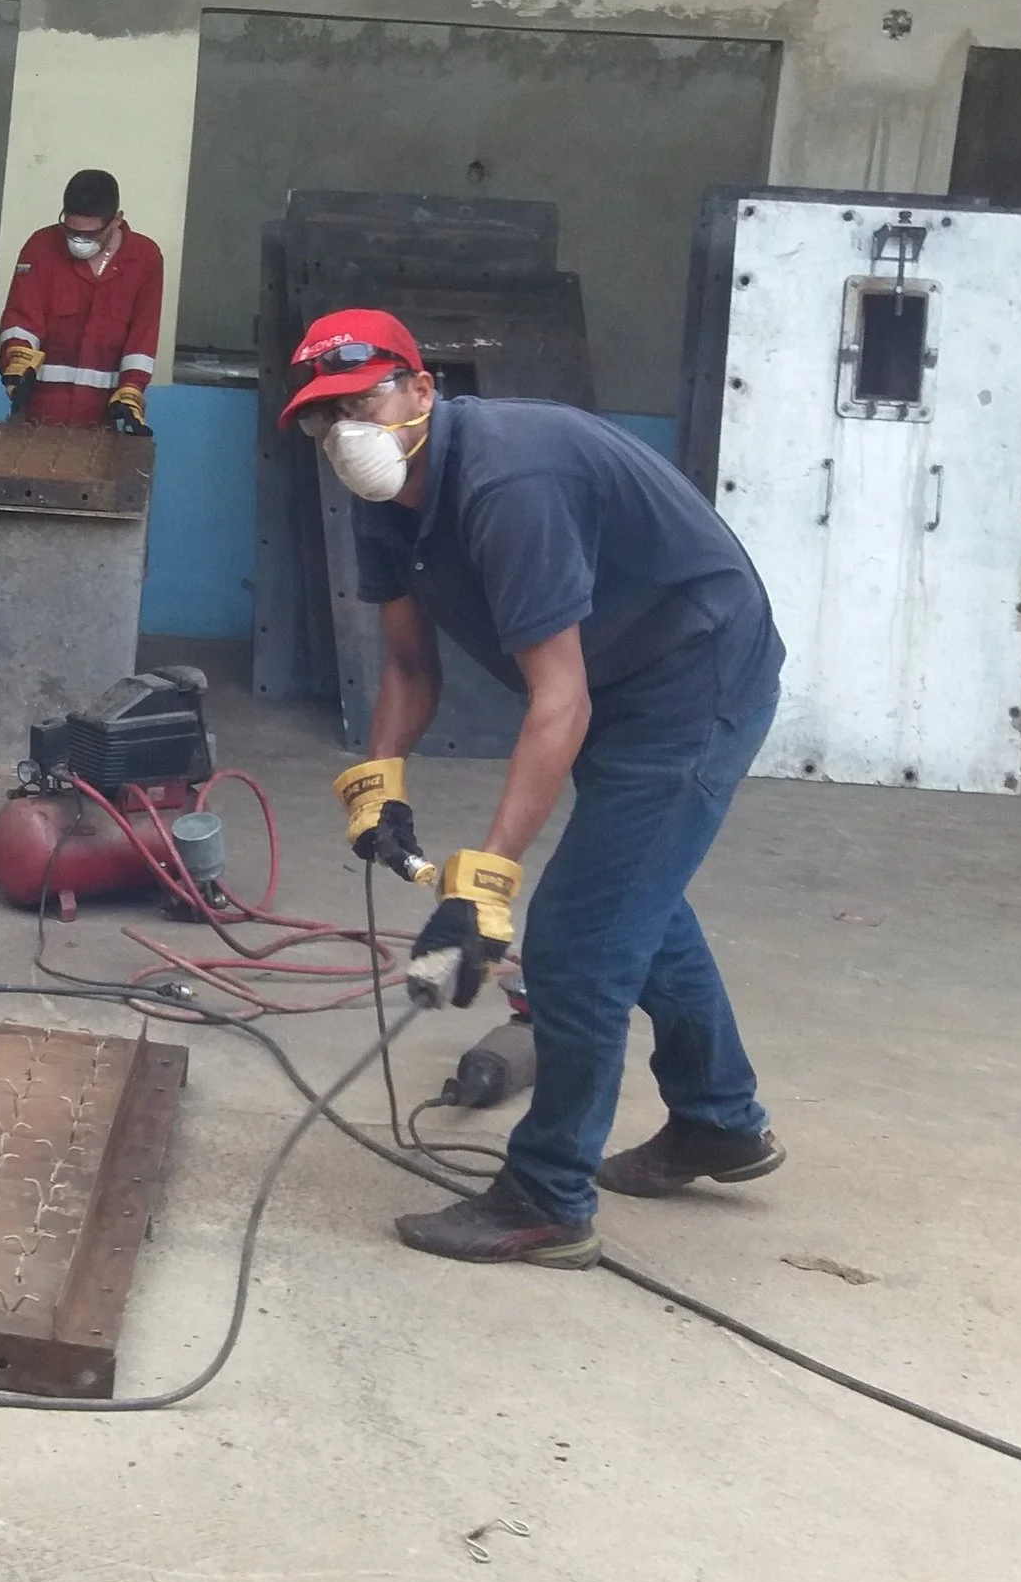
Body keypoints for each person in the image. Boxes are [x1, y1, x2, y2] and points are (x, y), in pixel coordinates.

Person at [279, 307, 787, 1268]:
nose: (346, 430)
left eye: (365, 397)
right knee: (636, 897)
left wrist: (488, 878)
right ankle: (720, 1120)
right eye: (323, 416)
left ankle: (548, 1198)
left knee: (578, 942)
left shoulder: (511, 478)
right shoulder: (382, 496)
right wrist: (380, 779)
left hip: (693, 678)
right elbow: (407, 665)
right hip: (616, 673)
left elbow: (560, 701)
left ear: (424, 386)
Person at [0, 169, 161, 436]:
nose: (78, 241)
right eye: (71, 231)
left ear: (116, 220)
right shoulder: (40, 246)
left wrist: (132, 390)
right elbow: (21, 316)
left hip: (103, 420)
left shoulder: (145, 258)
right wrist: (17, 361)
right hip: (37, 415)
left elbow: (144, 335)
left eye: (91, 235)